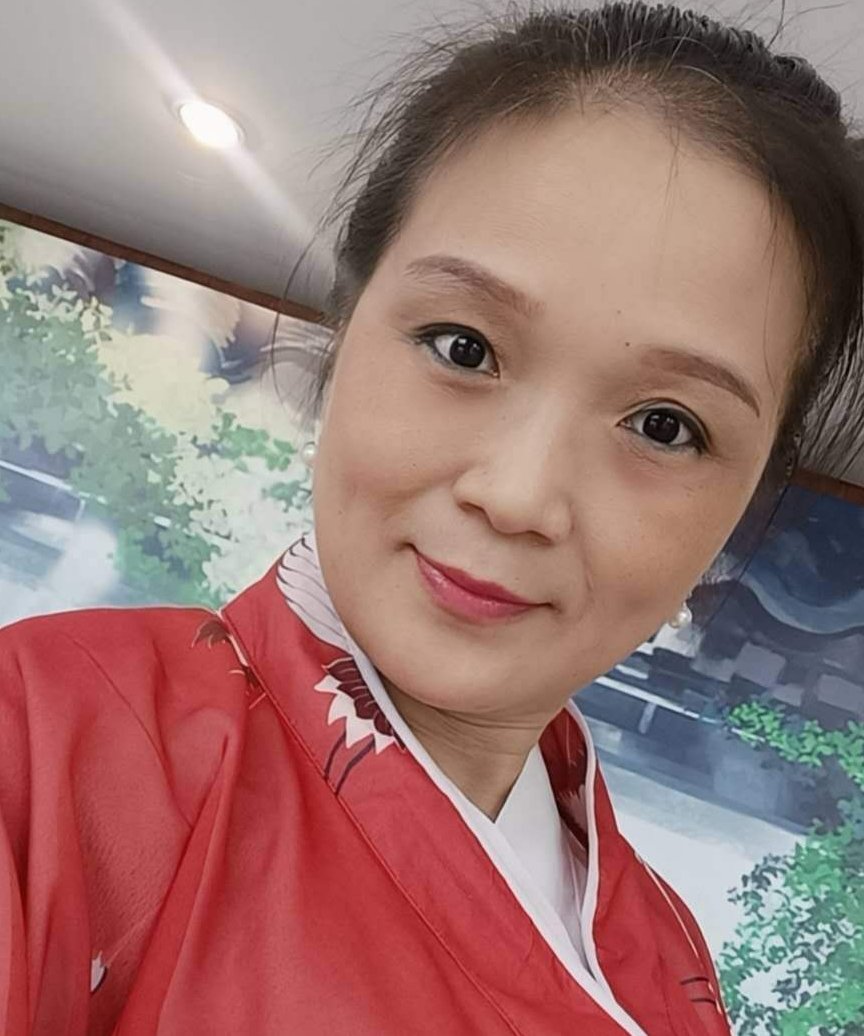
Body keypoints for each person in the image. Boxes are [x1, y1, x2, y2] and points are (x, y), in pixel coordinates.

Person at [2, 3, 864, 1034]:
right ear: (347, 326)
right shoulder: (50, 747)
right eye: (463, 347)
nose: (519, 494)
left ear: (747, 500)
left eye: (665, 426)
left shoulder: (670, 961)